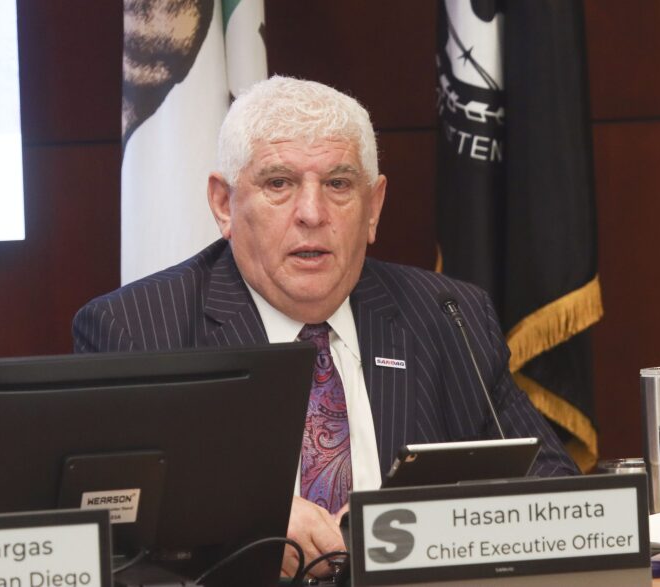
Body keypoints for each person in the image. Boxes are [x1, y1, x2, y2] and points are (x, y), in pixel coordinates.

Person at [74, 76, 579, 577]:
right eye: (279, 184)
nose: (312, 214)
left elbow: (554, 494)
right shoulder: (138, 331)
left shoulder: (448, 316)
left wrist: (412, 530)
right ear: (224, 205)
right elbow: (106, 527)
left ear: (374, 206)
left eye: (338, 185)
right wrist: (251, 522)